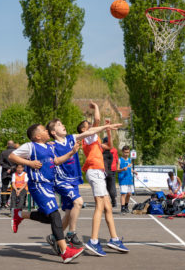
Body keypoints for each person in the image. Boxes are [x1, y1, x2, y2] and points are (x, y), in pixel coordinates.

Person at [9, 124, 85, 263]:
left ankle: (20, 214)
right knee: (55, 215)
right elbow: (12, 156)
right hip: (38, 185)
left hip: (49, 185)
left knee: (49, 217)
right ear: (37, 136)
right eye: (44, 130)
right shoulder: (30, 146)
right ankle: (65, 251)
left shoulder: (50, 147)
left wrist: (71, 152)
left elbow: (56, 161)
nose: (46, 131)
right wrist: (29, 163)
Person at [45, 117, 122, 253]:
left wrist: (106, 128)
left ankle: (54, 236)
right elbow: (55, 161)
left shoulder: (71, 138)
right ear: (53, 132)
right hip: (62, 181)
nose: (63, 125)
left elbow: (91, 131)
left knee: (69, 213)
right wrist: (71, 152)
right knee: (79, 202)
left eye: (62, 123)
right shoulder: (51, 146)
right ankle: (71, 233)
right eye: (59, 124)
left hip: (73, 180)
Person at [77, 101, 129, 256]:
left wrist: (109, 131)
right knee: (100, 205)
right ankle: (93, 241)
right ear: (84, 129)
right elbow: (97, 122)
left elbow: (110, 146)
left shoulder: (94, 140)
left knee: (108, 208)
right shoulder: (88, 137)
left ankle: (114, 238)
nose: (91, 124)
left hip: (99, 172)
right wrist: (97, 108)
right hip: (94, 171)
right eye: (88, 124)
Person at [117, 145, 136, 214]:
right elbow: (117, 169)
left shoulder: (130, 160)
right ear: (122, 152)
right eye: (125, 152)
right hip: (122, 179)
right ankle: (122, 208)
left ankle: (126, 206)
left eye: (128, 152)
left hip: (129, 179)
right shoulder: (120, 160)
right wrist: (122, 169)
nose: (126, 154)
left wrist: (134, 171)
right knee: (123, 194)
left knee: (129, 193)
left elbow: (130, 168)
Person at [0, 140, 18, 208]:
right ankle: (13, 203)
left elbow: (1, 162)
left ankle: (3, 203)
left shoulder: (3, 152)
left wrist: (8, 168)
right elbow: (17, 163)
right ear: (13, 145)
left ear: (7, 145)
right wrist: (11, 168)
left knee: (4, 188)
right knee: (14, 188)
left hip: (5, 172)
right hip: (14, 172)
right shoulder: (16, 152)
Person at [102, 135, 118, 207]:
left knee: (105, 186)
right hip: (113, 169)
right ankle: (114, 199)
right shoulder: (114, 149)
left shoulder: (103, 150)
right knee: (112, 185)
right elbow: (117, 159)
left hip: (105, 170)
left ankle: (107, 201)